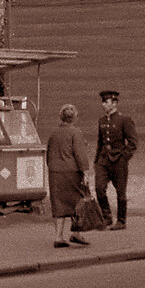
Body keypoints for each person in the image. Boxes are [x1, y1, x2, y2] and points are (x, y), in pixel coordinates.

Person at [46, 103, 91, 248]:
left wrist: (53, 167)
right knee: (77, 202)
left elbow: (48, 155)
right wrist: (85, 172)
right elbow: (80, 154)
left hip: (55, 173)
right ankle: (76, 234)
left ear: (61, 117)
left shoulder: (53, 133)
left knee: (59, 204)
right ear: (74, 117)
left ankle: (58, 237)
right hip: (72, 173)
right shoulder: (75, 132)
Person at [94, 90, 137, 230]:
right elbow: (100, 143)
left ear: (114, 103)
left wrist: (124, 158)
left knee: (121, 191)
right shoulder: (101, 121)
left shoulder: (124, 120)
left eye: (106, 102)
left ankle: (121, 221)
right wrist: (96, 161)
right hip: (104, 160)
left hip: (118, 160)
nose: (103, 105)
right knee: (99, 188)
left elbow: (132, 143)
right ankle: (106, 217)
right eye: (103, 102)